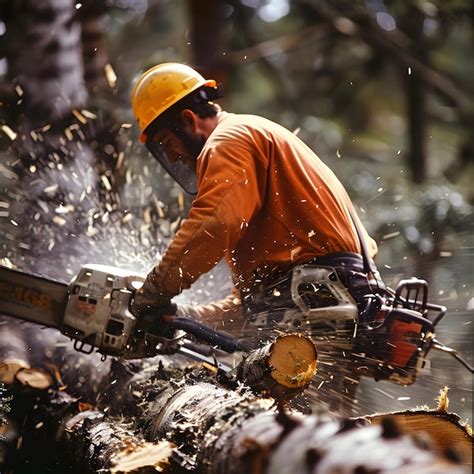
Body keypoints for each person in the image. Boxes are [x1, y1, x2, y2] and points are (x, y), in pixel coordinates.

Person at [130, 63, 380, 414]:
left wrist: (152, 293)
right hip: (315, 306)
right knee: (309, 438)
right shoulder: (251, 138)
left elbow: (212, 226)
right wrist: (185, 316)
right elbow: (255, 304)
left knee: (301, 445)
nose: (171, 154)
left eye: (167, 142)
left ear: (188, 119)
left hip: (313, 315)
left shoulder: (230, 140)